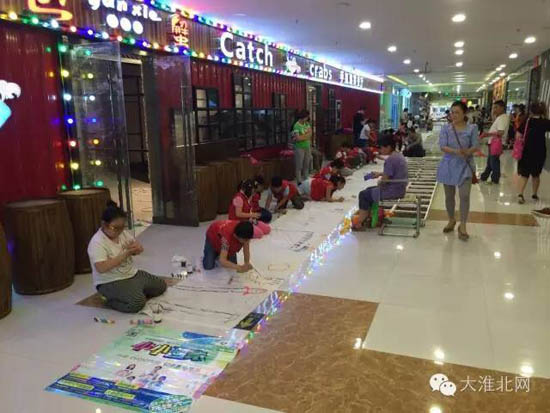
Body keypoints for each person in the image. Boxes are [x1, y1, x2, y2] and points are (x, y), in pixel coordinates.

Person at [87, 202, 167, 314]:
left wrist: (138, 248)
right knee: (137, 303)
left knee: (161, 285)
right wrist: (126, 254)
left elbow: (138, 248)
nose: (119, 231)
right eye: (115, 228)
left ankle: (133, 291)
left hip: (131, 274)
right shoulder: (97, 242)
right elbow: (101, 268)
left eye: (122, 227)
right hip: (110, 281)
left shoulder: (122, 234)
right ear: (104, 224)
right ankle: (109, 299)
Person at [436, 101, 479, 241]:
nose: (453, 115)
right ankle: (451, 219)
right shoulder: (446, 128)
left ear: (464, 113)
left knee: (464, 195)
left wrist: (467, 151)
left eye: (457, 112)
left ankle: (463, 225)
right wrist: (456, 151)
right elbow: (442, 146)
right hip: (448, 164)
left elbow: (476, 145)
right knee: (449, 196)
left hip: (465, 165)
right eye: (452, 112)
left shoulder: (472, 128)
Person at [352, 135, 408, 230]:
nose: (380, 150)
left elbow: (384, 181)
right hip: (400, 187)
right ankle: (369, 217)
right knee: (368, 190)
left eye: (381, 148)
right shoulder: (398, 156)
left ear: (388, 147)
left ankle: (360, 222)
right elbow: (393, 173)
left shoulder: (390, 160)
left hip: (393, 190)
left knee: (363, 195)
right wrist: (380, 174)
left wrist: (380, 182)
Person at [517, 102, 550, 204]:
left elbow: (518, 135)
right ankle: (534, 194)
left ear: (531, 110)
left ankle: (520, 194)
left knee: (524, 174)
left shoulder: (527, 121)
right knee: (536, 174)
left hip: (527, 150)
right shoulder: (545, 122)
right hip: (540, 151)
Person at [479, 100, 509, 184]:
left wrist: (487, 134)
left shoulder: (502, 118)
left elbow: (500, 132)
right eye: (493, 108)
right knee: (490, 162)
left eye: (496, 107)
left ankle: (495, 180)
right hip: (493, 142)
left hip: (496, 143)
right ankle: (484, 177)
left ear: (502, 108)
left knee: (494, 162)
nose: (494, 110)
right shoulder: (500, 117)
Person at [291, 110, 313, 185]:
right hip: (299, 147)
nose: (307, 118)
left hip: (307, 146)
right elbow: (298, 138)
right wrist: (306, 136)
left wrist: (303, 136)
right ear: (303, 117)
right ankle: (299, 181)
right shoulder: (296, 125)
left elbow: (310, 134)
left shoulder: (307, 124)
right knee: (299, 164)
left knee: (306, 163)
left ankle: (306, 177)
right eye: (306, 117)